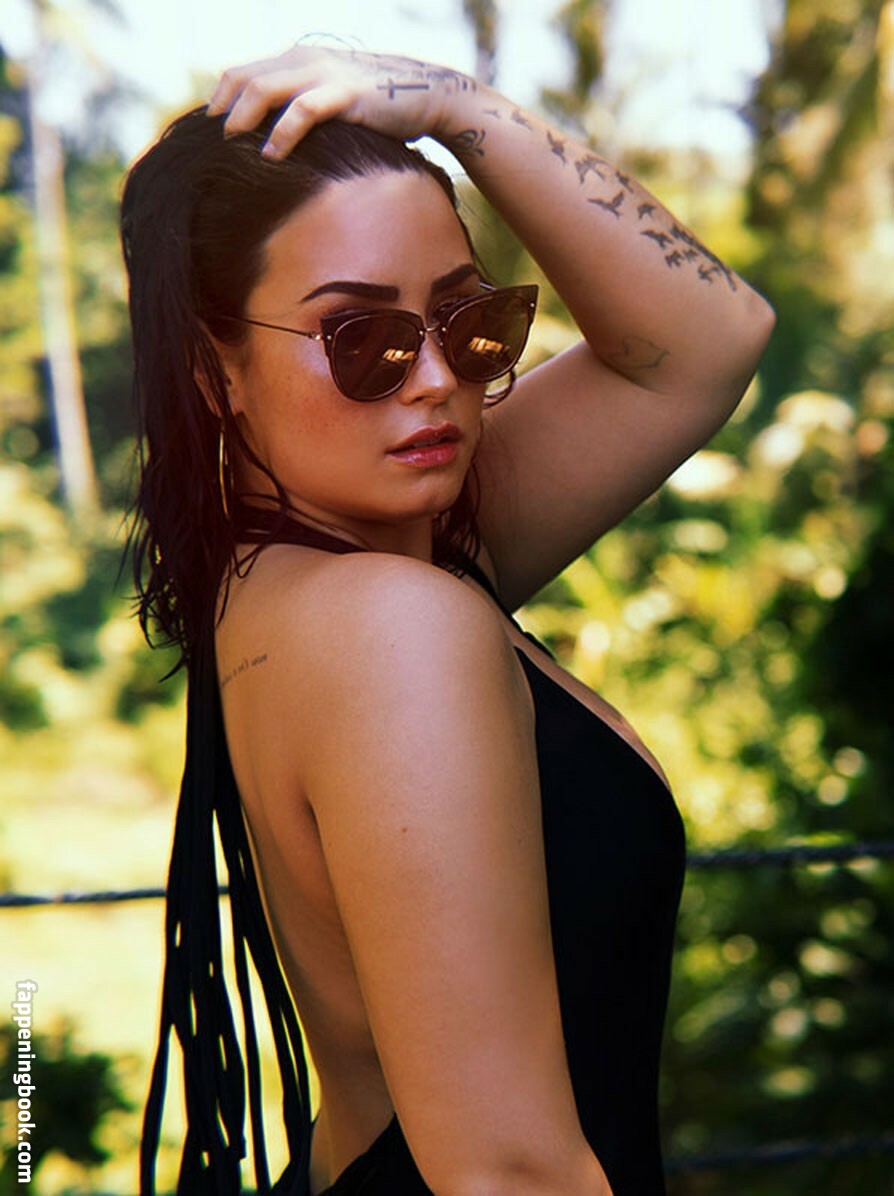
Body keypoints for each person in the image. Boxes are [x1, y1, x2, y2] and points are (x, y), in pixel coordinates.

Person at [122, 42, 775, 1196]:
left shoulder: (308, 568)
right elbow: (508, 1171)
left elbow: (702, 345)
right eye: (361, 338)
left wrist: (455, 106)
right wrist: (457, 109)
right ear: (215, 373)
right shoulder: (392, 625)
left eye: (469, 320)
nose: (434, 378)